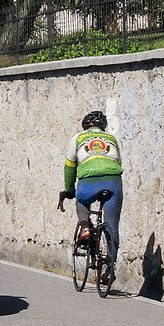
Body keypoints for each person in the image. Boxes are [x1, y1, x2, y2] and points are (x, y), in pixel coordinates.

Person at [57, 110, 124, 283]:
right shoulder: (112, 139)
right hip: (113, 181)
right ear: (103, 127)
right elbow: (118, 163)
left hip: (89, 181)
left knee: (82, 200)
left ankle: (86, 228)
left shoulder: (77, 138)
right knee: (112, 226)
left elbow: (70, 167)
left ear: (85, 126)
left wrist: (69, 190)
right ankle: (110, 268)